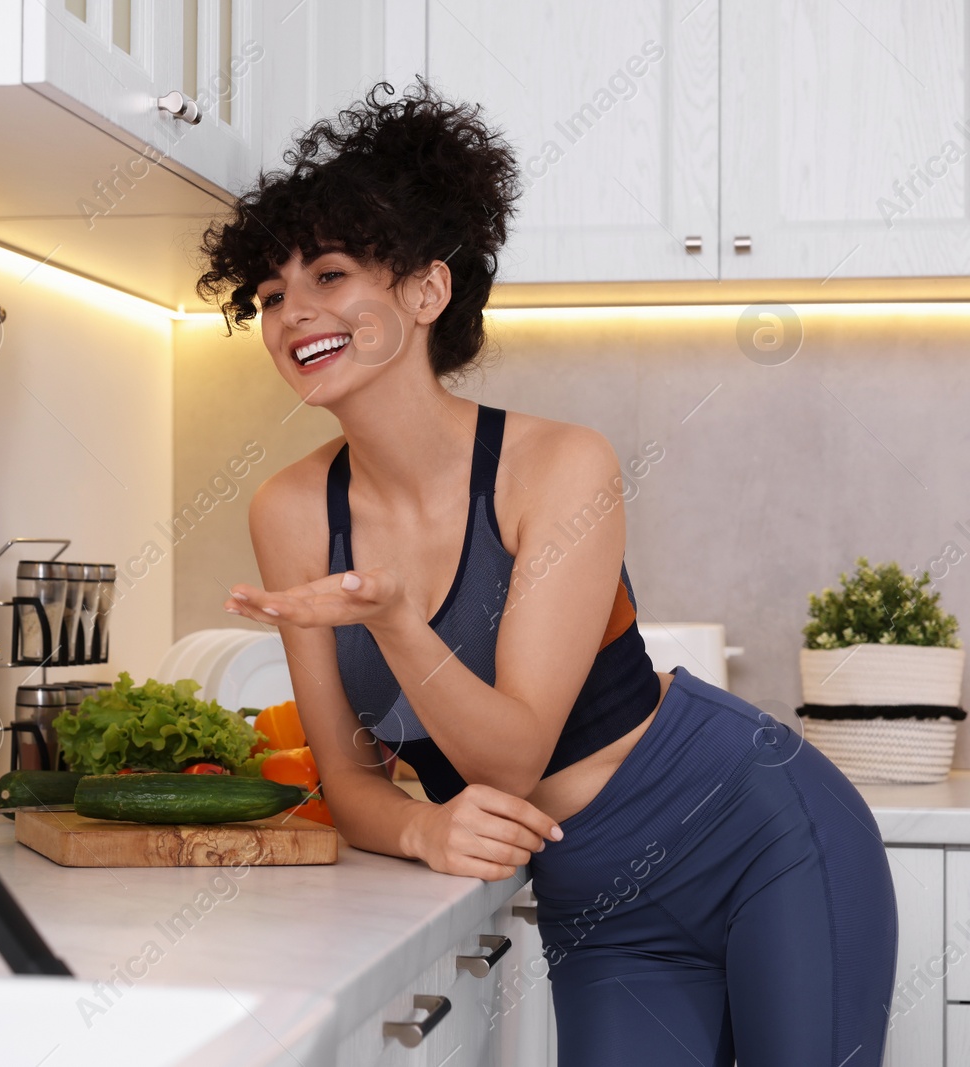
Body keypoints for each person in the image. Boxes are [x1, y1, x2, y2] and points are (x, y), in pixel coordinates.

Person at [198, 78, 898, 1067]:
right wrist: (422, 832)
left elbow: (511, 757)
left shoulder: (557, 465)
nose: (291, 314)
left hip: (752, 826)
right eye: (269, 295)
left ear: (426, 290)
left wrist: (397, 620)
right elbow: (350, 781)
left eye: (329, 275)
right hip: (597, 889)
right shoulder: (290, 508)